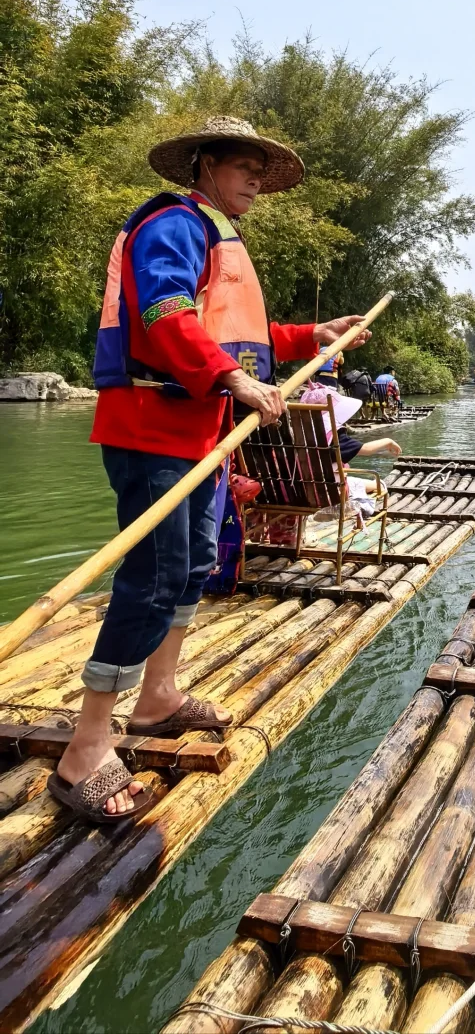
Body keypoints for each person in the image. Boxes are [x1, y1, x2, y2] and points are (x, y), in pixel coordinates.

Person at [55, 116, 374, 823]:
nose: (256, 182)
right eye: (243, 168)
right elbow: (168, 313)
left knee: (196, 561)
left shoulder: (215, 234)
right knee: (154, 574)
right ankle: (85, 745)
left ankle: (158, 696)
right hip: (152, 427)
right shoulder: (174, 224)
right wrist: (231, 380)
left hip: (200, 435)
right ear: (203, 167)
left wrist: (307, 338)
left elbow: (239, 336)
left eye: (262, 172)